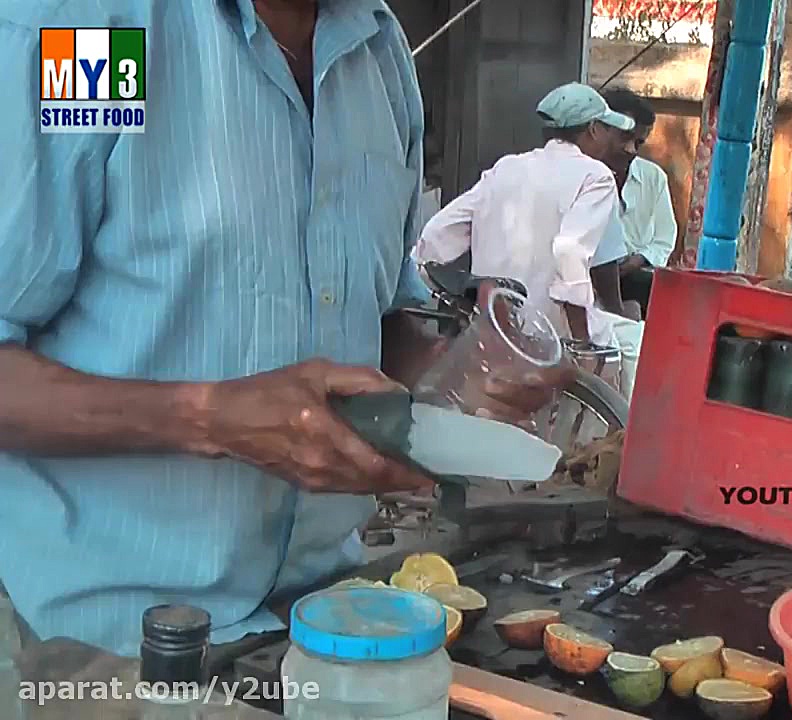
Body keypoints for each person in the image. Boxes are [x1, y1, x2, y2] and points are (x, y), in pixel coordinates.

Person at [0, 0, 568, 657]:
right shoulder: (97, 34)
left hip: (326, 623)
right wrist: (208, 417)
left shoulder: (377, 56)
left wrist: (455, 373)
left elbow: (366, 318)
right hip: (116, 646)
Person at [415, 83, 638, 345]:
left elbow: (434, 236)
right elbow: (570, 252)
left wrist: (455, 300)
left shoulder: (506, 168)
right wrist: (581, 343)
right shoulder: (595, 176)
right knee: (636, 341)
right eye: (609, 130)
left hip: (493, 333)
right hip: (550, 338)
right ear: (593, 130)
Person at [600, 89, 678, 318]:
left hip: (636, 278)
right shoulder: (581, 175)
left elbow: (665, 238)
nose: (630, 149)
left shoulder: (653, 177)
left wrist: (637, 260)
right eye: (625, 137)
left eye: (639, 142)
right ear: (601, 130)